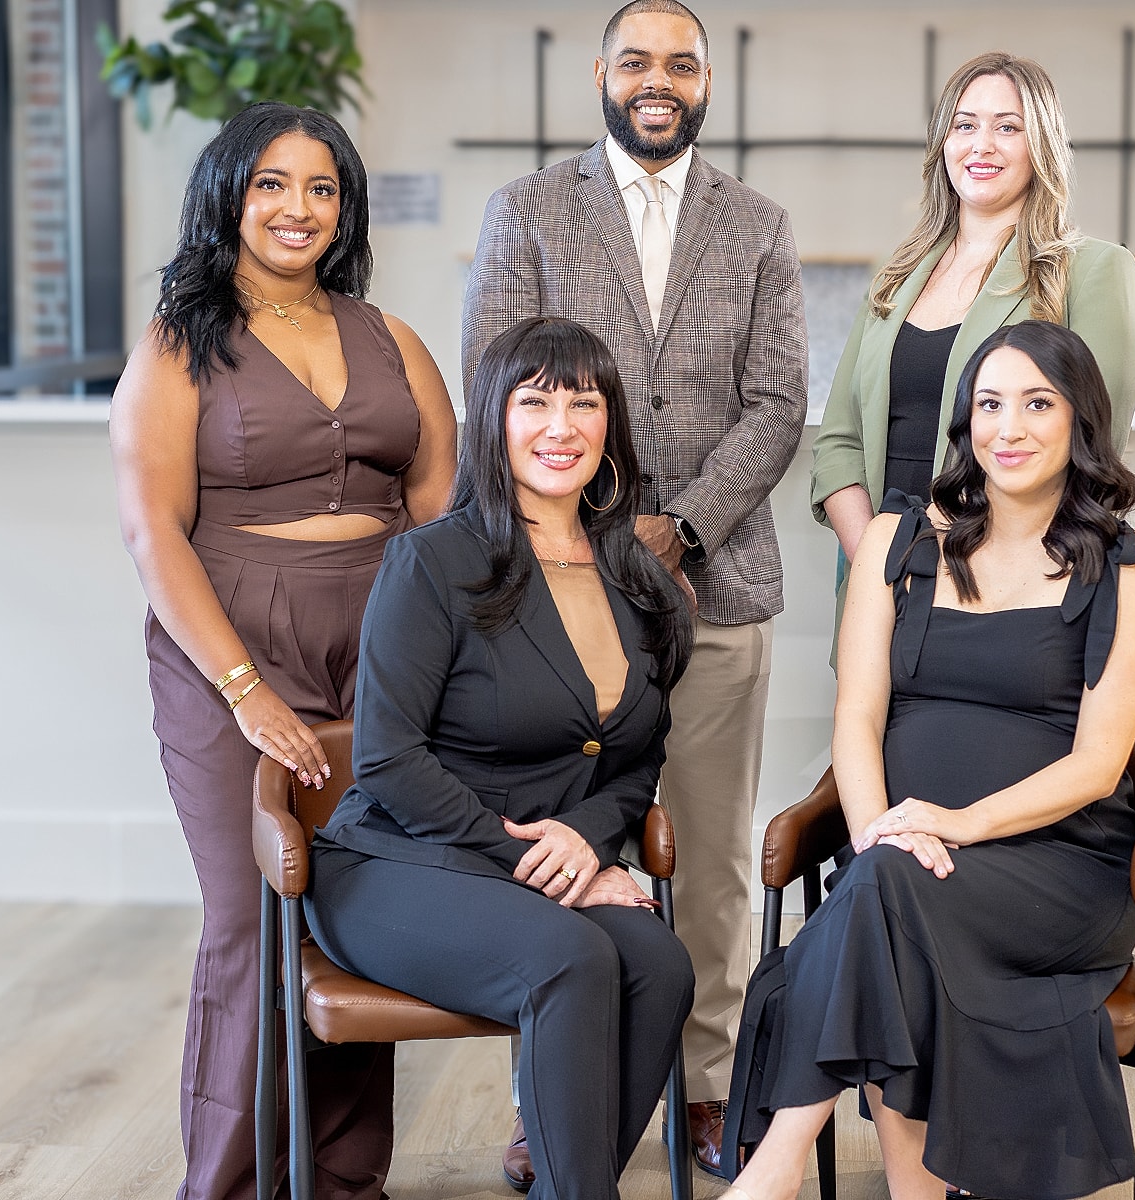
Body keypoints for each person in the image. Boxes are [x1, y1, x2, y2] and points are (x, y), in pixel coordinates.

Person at [461, 0, 807, 1182]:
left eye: (681, 63)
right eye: (637, 61)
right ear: (600, 75)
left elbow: (778, 403)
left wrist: (686, 524)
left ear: (705, 82)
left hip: (718, 592)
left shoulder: (757, 224)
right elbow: (497, 387)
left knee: (705, 862)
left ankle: (706, 1094)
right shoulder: (528, 211)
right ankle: (550, 1098)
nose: (658, 80)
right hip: (554, 593)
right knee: (557, 853)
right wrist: (603, 533)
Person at [726, 320, 1135, 1200]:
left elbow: (1099, 762)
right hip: (908, 858)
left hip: (1055, 867)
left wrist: (956, 825)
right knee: (889, 896)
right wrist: (884, 833)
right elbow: (857, 716)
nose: (1010, 427)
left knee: (884, 899)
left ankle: (766, 1180)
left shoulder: (1123, 564)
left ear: (1080, 422)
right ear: (966, 422)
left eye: (1038, 403)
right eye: (990, 404)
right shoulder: (901, 540)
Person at [111, 102, 458, 1200]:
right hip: (235, 641)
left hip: (385, 640)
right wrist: (245, 689)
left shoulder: (391, 337)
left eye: (320, 187)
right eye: (271, 183)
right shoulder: (179, 345)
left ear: (344, 207)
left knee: (361, 905)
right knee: (251, 918)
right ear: (229, 196)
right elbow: (150, 530)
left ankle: (343, 1180)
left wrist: (445, 665)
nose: (296, 208)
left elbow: (444, 510)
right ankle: (225, 1183)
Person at [307, 317, 696, 1200]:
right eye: (536, 402)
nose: (561, 427)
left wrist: (588, 842)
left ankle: (569, 1178)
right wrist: (534, 859)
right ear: (495, 420)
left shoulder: (640, 576)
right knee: (574, 957)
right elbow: (387, 759)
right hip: (397, 864)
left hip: (548, 865)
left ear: (611, 427)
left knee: (661, 964)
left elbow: (638, 758)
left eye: (584, 404)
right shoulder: (432, 562)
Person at [811, 52, 1135, 565]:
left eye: (1007, 127)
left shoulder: (1095, 271)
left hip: (1011, 585)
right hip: (877, 577)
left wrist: (972, 575)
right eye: (965, 125)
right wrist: (880, 566)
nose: (981, 145)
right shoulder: (895, 277)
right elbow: (838, 443)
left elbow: (1092, 457)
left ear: (1040, 146)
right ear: (943, 140)